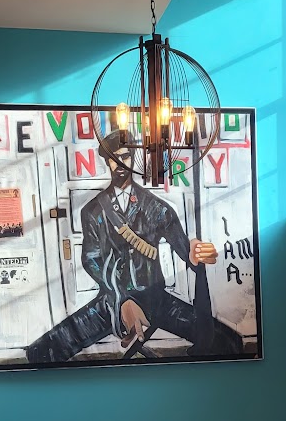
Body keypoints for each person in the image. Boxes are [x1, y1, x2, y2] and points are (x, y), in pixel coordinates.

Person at [25, 131, 244, 364]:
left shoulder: (157, 208)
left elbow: (185, 252)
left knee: (228, 343)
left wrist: (197, 251)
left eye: (126, 156)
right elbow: (90, 259)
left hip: (155, 301)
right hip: (111, 300)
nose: (120, 163)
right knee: (43, 352)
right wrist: (121, 299)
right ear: (106, 161)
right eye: (114, 158)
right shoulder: (92, 211)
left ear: (133, 158)